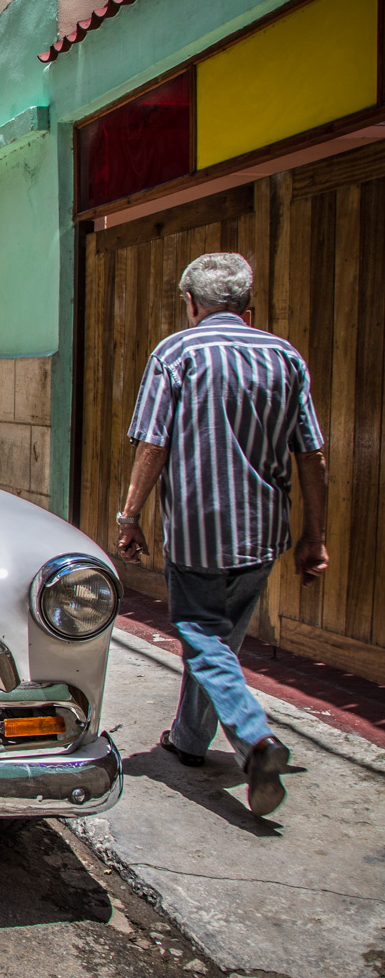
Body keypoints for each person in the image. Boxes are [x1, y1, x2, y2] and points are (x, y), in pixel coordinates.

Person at [117, 252, 328, 818]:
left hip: (197, 531)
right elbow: (311, 454)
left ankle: (256, 739)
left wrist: (130, 516)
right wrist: (316, 535)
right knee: (221, 643)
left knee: (203, 638)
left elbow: (153, 444)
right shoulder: (286, 358)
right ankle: (189, 740)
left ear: (190, 304)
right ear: (247, 308)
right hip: (261, 533)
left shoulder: (177, 353)